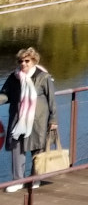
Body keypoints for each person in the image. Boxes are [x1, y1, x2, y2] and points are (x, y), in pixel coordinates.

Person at [2, 47, 57, 192]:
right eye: (21, 61)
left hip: (38, 119)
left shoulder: (43, 77)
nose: (23, 64)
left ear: (34, 61)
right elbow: (6, 94)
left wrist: (53, 120)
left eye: (27, 61)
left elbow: (52, 100)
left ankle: (35, 178)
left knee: (37, 148)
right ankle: (18, 181)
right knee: (17, 148)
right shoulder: (14, 77)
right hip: (18, 118)